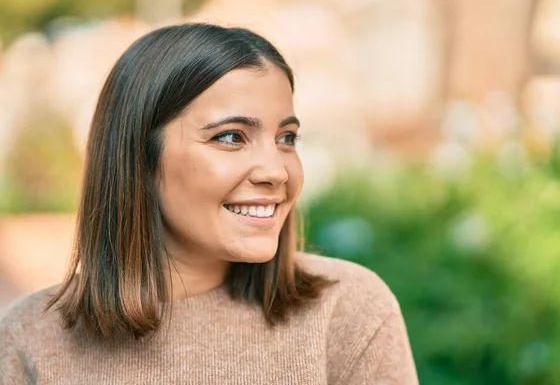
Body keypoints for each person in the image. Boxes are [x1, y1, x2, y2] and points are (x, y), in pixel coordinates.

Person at [0, 23, 418, 384]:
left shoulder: (349, 313)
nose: (276, 171)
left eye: (286, 138)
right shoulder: (27, 338)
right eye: (232, 136)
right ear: (138, 157)